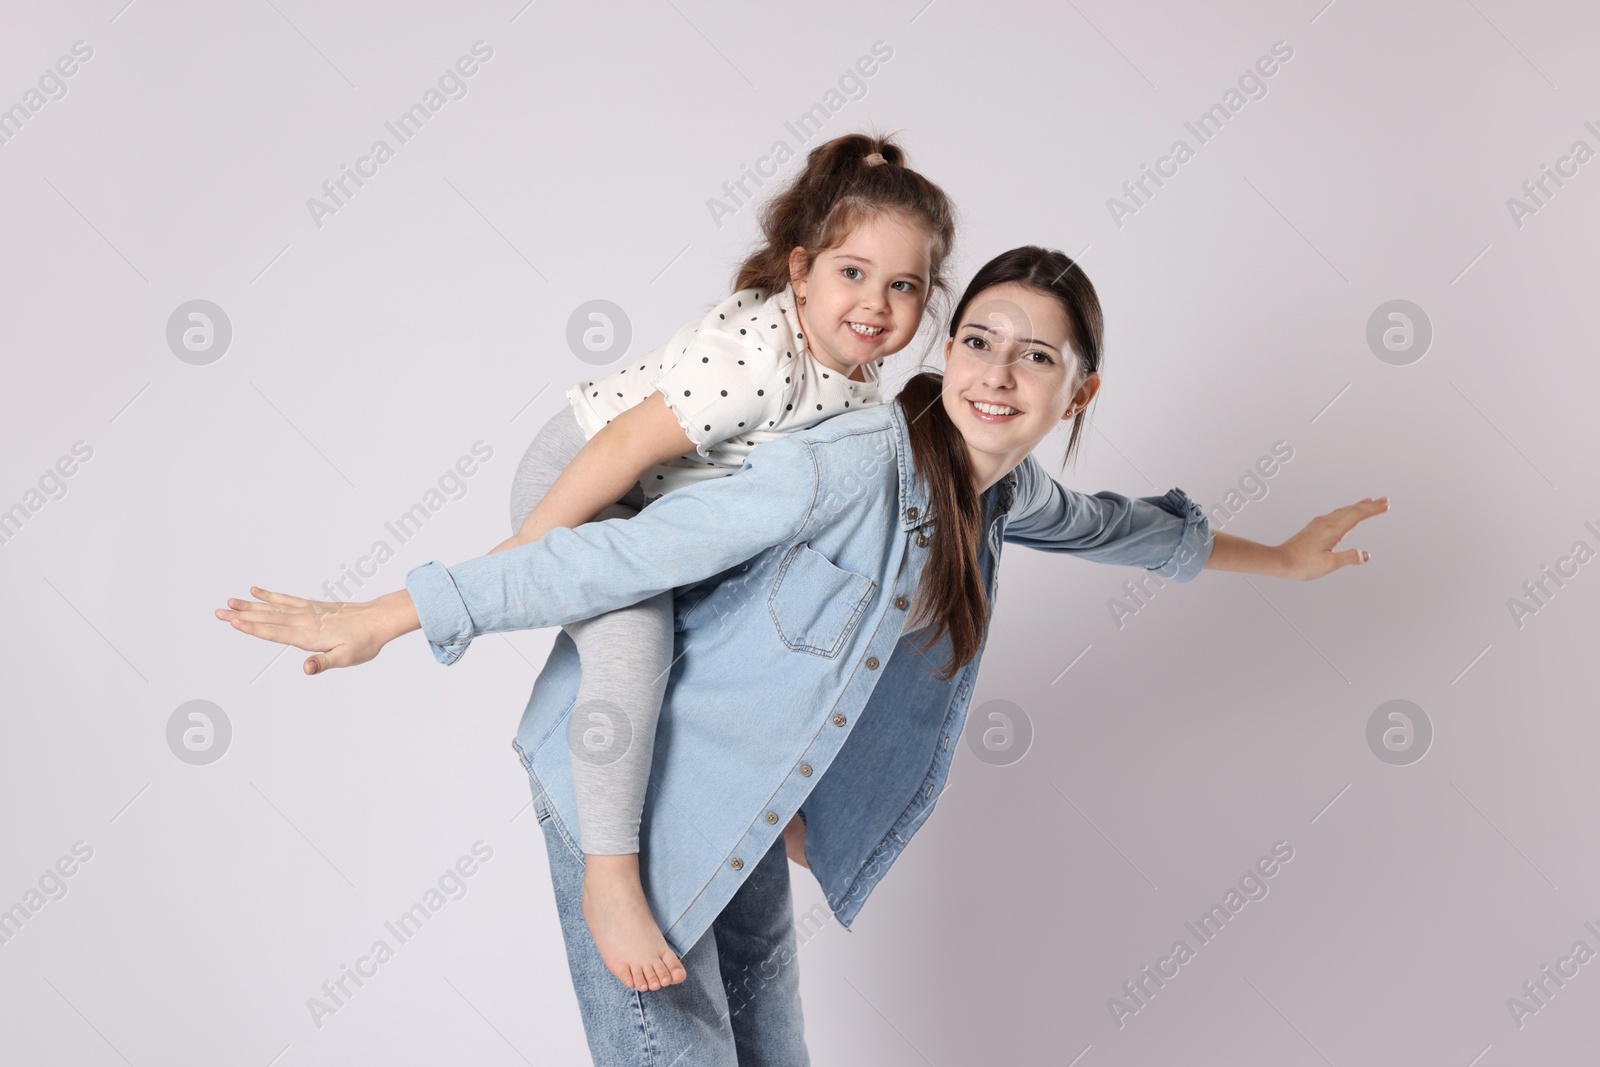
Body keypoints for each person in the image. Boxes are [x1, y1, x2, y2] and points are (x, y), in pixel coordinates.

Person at [217, 245, 1389, 1065]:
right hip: (626, 795)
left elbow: (1120, 527)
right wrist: (388, 612)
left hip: (749, 810)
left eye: (1035, 357)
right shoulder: (845, 461)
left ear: (1079, 388)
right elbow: (606, 560)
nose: (994, 371)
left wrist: (1279, 559)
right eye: (977, 337)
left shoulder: (1003, 492)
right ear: (943, 344)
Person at [462, 131, 958, 991]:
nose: (875, 302)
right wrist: (519, 559)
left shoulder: (859, 385)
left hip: (667, 507)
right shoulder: (757, 359)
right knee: (635, 646)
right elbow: (621, 445)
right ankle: (610, 875)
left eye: (903, 285)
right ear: (799, 271)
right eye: (852, 272)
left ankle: (792, 799)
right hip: (590, 476)